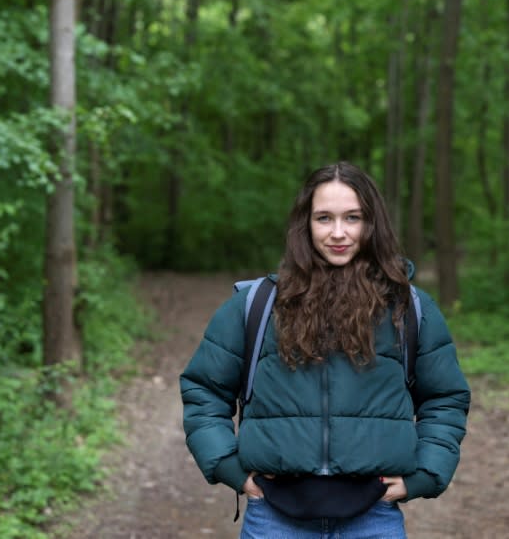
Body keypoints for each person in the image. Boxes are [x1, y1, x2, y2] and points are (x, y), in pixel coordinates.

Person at [180, 162, 470, 538]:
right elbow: (204, 391)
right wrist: (231, 469)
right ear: (305, 224)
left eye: (353, 218)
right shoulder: (256, 305)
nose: (338, 233)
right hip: (274, 519)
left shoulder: (408, 307)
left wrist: (426, 474)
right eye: (324, 218)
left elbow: (444, 398)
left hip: (373, 519)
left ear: (372, 224)